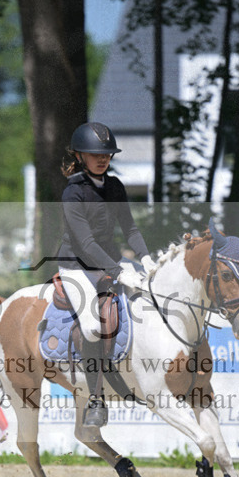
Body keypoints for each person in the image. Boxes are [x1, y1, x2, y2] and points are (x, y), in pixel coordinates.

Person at [57, 121, 157, 427]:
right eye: (95, 154)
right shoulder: (73, 193)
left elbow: (130, 228)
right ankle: (96, 399)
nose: (103, 159)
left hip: (111, 260)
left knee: (150, 297)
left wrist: (146, 259)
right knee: (91, 327)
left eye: (107, 154)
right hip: (76, 266)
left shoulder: (115, 187)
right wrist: (118, 270)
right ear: (79, 155)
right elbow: (85, 243)